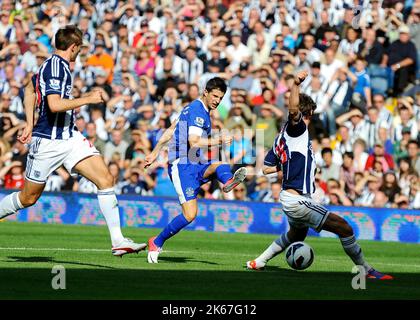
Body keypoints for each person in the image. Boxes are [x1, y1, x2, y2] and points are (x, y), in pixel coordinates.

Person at [0, 25, 146, 257]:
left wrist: (28, 122)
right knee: (28, 197)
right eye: (80, 47)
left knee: (106, 179)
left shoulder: (50, 66)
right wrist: (87, 98)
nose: (80, 52)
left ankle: (118, 241)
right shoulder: (56, 68)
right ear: (74, 46)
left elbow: (29, 90)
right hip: (48, 142)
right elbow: (54, 104)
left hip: (69, 137)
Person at [246, 70, 393, 280]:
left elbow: (266, 169)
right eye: (311, 114)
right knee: (344, 227)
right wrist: (296, 84)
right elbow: (293, 109)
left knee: (297, 234)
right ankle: (367, 271)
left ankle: (258, 262)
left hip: (292, 198)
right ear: (309, 114)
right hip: (297, 200)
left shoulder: (281, 139)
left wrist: (285, 167)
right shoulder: (297, 129)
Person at [143, 77, 247, 263]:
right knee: (190, 215)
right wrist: (218, 140)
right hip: (180, 165)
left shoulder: (191, 108)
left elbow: (170, 130)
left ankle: (228, 182)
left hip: (194, 161)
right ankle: (156, 241)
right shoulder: (198, 111)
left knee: (219, 164)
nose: (217, 100)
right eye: (215, 96)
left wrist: (154, 153)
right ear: (205, 92)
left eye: (221, 98)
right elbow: (194, 141)